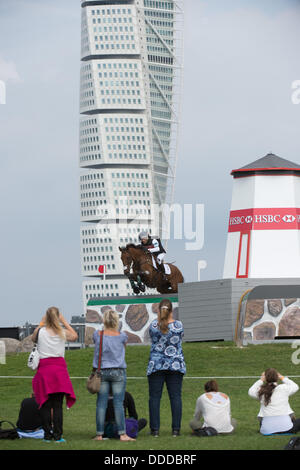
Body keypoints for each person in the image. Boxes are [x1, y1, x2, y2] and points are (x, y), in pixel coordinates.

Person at [31, 307, 77, 443]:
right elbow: (74, 336)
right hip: (59, 371)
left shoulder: (40, 331)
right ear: (58, 318)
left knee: (45, 404)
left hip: (44, 370)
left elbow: (33, 338)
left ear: (46, 317)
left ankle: (47, 435)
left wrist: (40, 323)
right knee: (57, 406)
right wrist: (64, 321)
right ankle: (58, 436)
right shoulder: (62, 332)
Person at [92, 309, 135, 442]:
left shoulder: (97, 334)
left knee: (101, 404)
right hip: (118, 371)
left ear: (104, 320)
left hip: (102, 372)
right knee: (118, 403)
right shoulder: (122, 336)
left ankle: (99, 434)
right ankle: (122, 434)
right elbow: (124, 348)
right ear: (116, 321)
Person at [147, 298, 186, 437]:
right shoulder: (179, 325)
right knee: (175, 397)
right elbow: (181, 338)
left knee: (154, 398)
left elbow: (152, 337)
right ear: (171, 310)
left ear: (159, 310)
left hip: (156, 364)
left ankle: (155, 430)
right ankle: (176, 429)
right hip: (175, 364)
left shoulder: (153, 325)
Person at [248, 368, 300, 435]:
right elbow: (295, 386)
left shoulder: (261, 390)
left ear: (265, 378)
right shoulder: (284, 388)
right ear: (277, 378)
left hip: (266, 430)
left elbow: (251, 391)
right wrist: (282, 377)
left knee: (262, 418)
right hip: (287, 428)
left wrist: (261, 380)